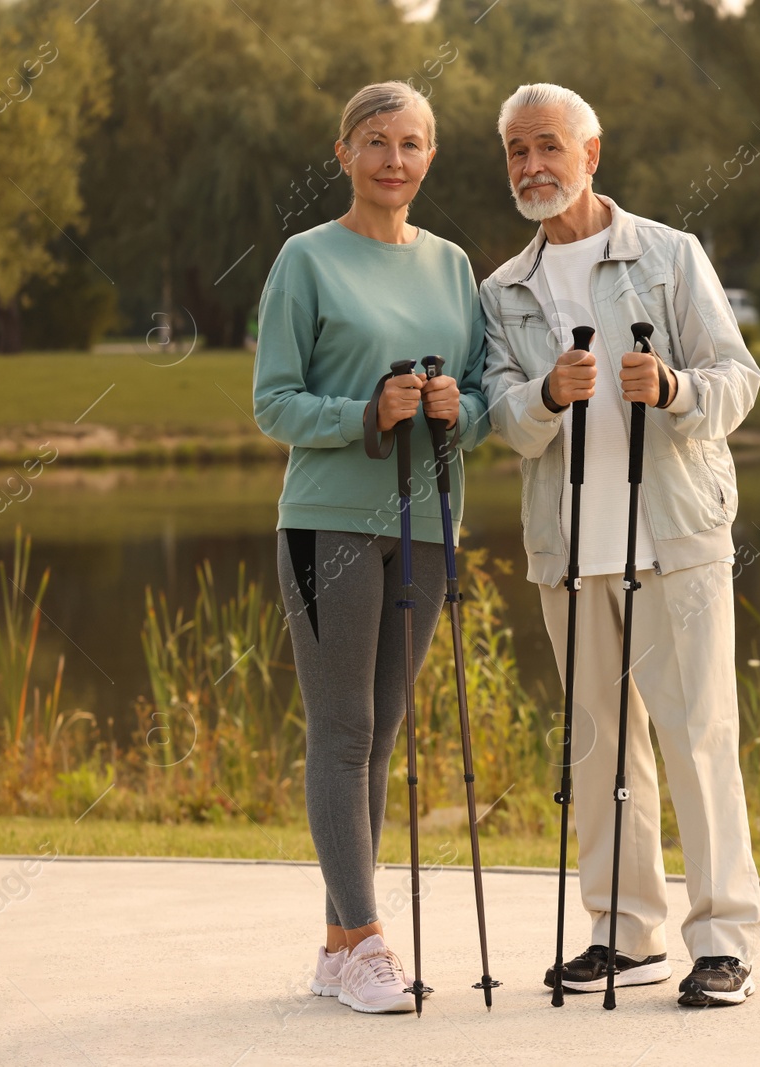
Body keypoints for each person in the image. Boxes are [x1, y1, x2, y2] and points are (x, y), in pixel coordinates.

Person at [480, 83, 760, 1007]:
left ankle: (722, 939)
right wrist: (545, 396)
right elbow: (500, 419)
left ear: (591, 154)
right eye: (518, 151)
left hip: (675, 536)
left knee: (699, 735)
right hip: (568, 549)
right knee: (598, 746)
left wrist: (676, 387)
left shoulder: (670, 255)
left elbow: (738, 378)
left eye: (549, 147)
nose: (533, 167)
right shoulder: (504, 290)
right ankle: (623, 931)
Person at [252, 80, 489, 1015]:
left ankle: (336, 947)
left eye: (414, 144)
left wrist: (448, 408)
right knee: (343, 732)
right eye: (379, 142)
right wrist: (366, 412)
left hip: (427, 527)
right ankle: (370, 941)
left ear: (431, 156)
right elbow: (273, 401)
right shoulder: (305, 260)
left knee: (382, 732)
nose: (397, 160)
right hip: (329, 525)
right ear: (345, 151)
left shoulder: (455, 266)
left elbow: (476, 398)